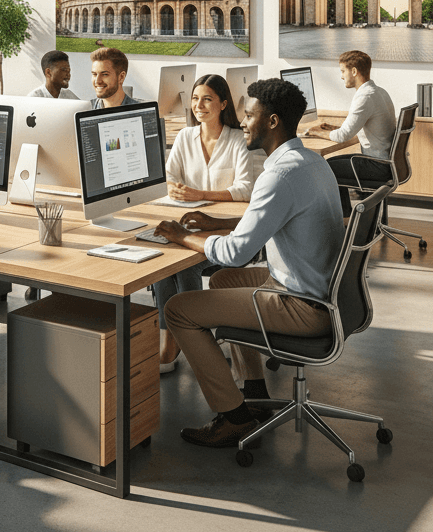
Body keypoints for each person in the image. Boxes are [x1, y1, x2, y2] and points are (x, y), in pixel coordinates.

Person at [155, 78, 343, 449]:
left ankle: (233, 416)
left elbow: (234, 252)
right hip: (318, 289)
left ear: (272, 121)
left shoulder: (279, 175)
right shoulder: (309, 161)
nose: (242, 122)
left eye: (249, 115)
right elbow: (274, 218)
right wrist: (217, 223)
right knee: (225, 280)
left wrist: (184, 237)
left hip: (302, 305)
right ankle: (253, 392)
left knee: (179, 310)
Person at [153, 74, 255, 373]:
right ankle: (171, 336)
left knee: (186, 265)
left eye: (207, 99)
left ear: (223, 104)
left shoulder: (238, 140)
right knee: (162, 262)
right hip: (190, 222)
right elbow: (169, 177)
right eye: (195, 98)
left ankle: (197, 340)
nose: (199, 105)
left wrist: (201, 194)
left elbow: (246, 189)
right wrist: (173, 188)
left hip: (225, 228)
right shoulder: (185, 137)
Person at [305, 50, 396, 215]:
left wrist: (315, 132)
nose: (341, 76)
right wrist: (332, 128)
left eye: (342, 71)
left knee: (325, 168)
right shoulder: (379, 92)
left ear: (354, 71)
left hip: (377, 166)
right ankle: (346, 214)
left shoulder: (365, 97)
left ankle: (343, 217)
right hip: (387, 162)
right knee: (330, 163)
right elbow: (354, 127)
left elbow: (343, 136)